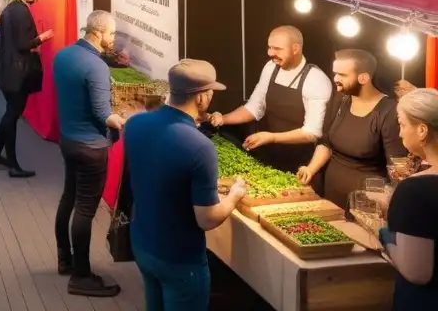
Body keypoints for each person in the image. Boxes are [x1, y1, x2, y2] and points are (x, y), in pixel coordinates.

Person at [126, 60, 247, 310]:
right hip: (179, 258)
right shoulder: (200, 146)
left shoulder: (135, 124)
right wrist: (235, 195)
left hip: (142, 243)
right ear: (202, 98)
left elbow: (157, 173)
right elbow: (207, 219)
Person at [52, 10, 126, 297]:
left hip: (69, 140)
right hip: (91, 148)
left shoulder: (64, 55)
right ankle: (81, 275)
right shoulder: (96, 67)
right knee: (85, 209)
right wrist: (127, 120)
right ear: (97, 33)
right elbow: (103, 114)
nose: (114, 38)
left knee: (68, 197)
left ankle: (64, 259)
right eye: (112, 33)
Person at [209, 26, 332, 172]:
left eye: (277, 49)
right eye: (269, 47)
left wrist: (271, 137)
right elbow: (255, 107)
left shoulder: (315, 80)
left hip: (303, 163)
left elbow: (312, 133)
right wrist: (223, 119)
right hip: (271, 155)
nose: (270, 53)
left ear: (295, 48)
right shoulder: (271, 67)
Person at [296, 49, 405, 209]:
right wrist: (310, 169)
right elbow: (326, 142)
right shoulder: (341, 99)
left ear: (364, 78)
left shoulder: (389, 112)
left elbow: (397, 168)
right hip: (330, 195)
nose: (335, 79)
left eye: (342, 75)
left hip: (364, 203)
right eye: (335, 73)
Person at [377, 88, 438, 308]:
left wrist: (384, 235)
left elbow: (417, 272)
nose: (400, 133)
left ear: (422, 130)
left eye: (402, 125)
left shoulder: (415, 190)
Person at [0, 0, 53, 178]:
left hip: (6, 71)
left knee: (10, 114)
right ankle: (13, 164)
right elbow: (23, 44)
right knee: (11, 116)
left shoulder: (10, 9)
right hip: (17, 75)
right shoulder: (22, 12)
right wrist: (41, 38)